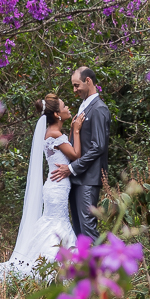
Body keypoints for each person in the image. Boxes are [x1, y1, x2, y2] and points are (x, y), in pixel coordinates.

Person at [0, 94, 83, 279]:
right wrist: (77, 130)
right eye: (64, 106)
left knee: (53, 223)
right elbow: (76, 154)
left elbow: (68, 151)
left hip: (55, 186)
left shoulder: (53, 134)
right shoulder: (55, 134)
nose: (68, 108)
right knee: (56, 224)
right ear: (57, 114)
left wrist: (71, 130)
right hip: (57, 189)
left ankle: (50, 263)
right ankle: (50, 267)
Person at [50, 66, 110, 241]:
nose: (75, 90)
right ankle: (84, 267)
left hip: (88, 180)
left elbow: (99, 147)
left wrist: (72, 168)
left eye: (77, 85)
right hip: (76, 179)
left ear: (88, 81)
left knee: (88, 231)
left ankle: (101, 267)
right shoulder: (84, 107)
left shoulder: (99, 109)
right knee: (78, 233)